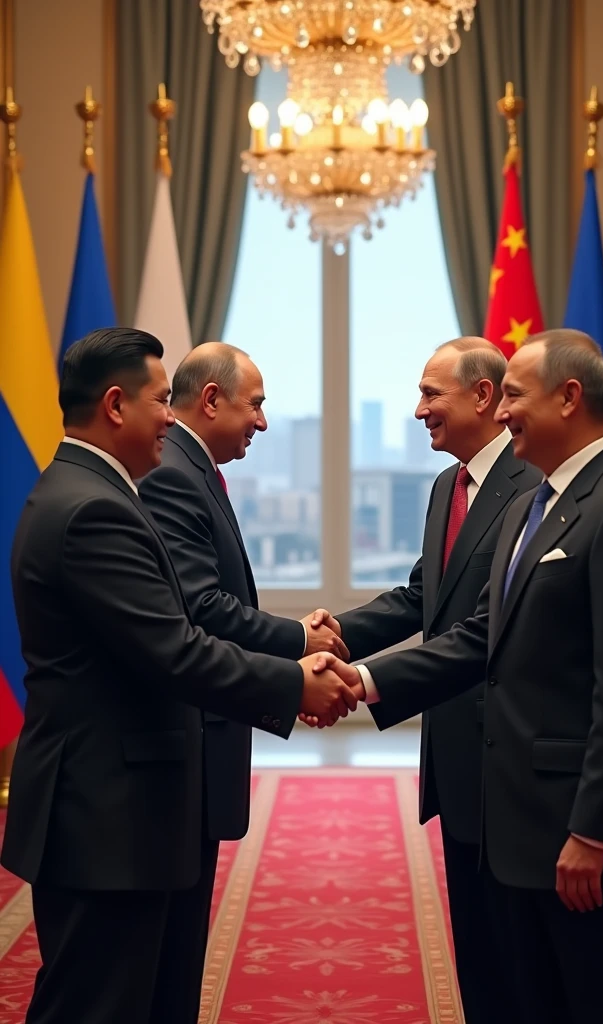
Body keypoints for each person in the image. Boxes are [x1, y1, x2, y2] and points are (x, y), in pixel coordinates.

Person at [322, 330, 603, 1024]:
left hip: (583, 833)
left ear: (569, 398)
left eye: (515, 395)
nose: (505, 412)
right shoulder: (533, 506)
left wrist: (595, 831)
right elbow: (478, 638)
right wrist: (363, 681)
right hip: (516, 822)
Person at [0, 328, 358, 1024]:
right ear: (114, 405)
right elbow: (177, 648)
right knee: (97, 1004)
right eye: (162, 400)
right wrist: (295, 683)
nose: (172, 414)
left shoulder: (94, 490)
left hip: (120, 809)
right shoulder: (92, 509)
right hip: (105, 814)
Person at [308, 337, 539, 1023]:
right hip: (461, 762)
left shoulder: (532, 486)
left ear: (484, 396)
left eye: (431, 394)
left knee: (524, 959)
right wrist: (330, 635)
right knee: (481, 960)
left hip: (515, 765)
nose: (419, 411)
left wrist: (360, 680)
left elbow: (484, 628)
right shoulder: (450, 484)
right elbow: (422, 597)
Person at [138, 341, 349, 1024]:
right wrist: (299, 646)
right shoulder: (174, 473)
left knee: (175, 949)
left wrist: (301, 642)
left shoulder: (192, 469)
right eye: (254, 404)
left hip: (195, 739)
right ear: (211, 400)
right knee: (160, 955)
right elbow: (200, 607)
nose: (262, 421)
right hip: (181, 745)